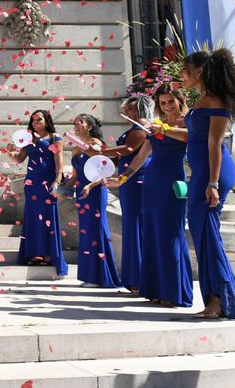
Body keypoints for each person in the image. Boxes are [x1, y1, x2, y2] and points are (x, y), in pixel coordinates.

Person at [150, 49, 235, 319]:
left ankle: (219, 302)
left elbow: (215, 143)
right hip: (201, 173)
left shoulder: (216, 101)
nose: (181, 74)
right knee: (203, 234)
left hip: (212, 174)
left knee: (207, 235)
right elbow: (192, 139)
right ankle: (223, 298)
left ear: (199, 71)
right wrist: (166, 129)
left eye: (185, 69)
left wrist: (212, 182)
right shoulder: (203, 100)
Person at [108, 85, 193, 308]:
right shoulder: (157, 126)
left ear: (179, 100)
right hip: (152, 183)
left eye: (170, 102)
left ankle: (175, 291)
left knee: (171, 234)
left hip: (173, 181)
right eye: (162, 103)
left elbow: (191, 137)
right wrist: (123, 178)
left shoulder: (187, 121)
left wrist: (164, 130)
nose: (167, 107)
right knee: (153, 234)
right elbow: (140, 156)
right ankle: (156, 289)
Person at [86, 96, 152, 293]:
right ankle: (134, 279)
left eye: (130, 108)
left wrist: (101, 152)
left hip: (137, 178)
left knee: (136, 225)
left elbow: (128, 149)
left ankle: (140, 279)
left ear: (139, 108)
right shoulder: (135, 127)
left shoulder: (141, 125)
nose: (127, 111)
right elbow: (123, 158)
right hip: (128, 178)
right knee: (132, 225)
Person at [6, 110, 68, 277]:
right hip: (32, 182)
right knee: (33, 217)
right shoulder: (28, 138)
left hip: (48, 181)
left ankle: (49, 254)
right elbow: (19, 160)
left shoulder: (54, 138)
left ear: (46, 121)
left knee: (49, 217)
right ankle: (34, 253)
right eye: (33, 120)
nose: (35, 123)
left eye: (39, 119)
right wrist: (10, 153)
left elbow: (59, 160)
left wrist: (58, 179)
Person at [68, 113, 122, 288]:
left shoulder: (96, 145)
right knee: (86, 231)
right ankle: (89, 275)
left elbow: (105, 172)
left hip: (95, 191)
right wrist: (62, 188)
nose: (76, 125)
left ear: (90, 127)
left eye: (80, 122)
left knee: (96, 230)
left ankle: (101, 276)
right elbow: (75, 174)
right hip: (82, 191)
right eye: (75, 123)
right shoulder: (76, 148)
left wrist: (90, 186)